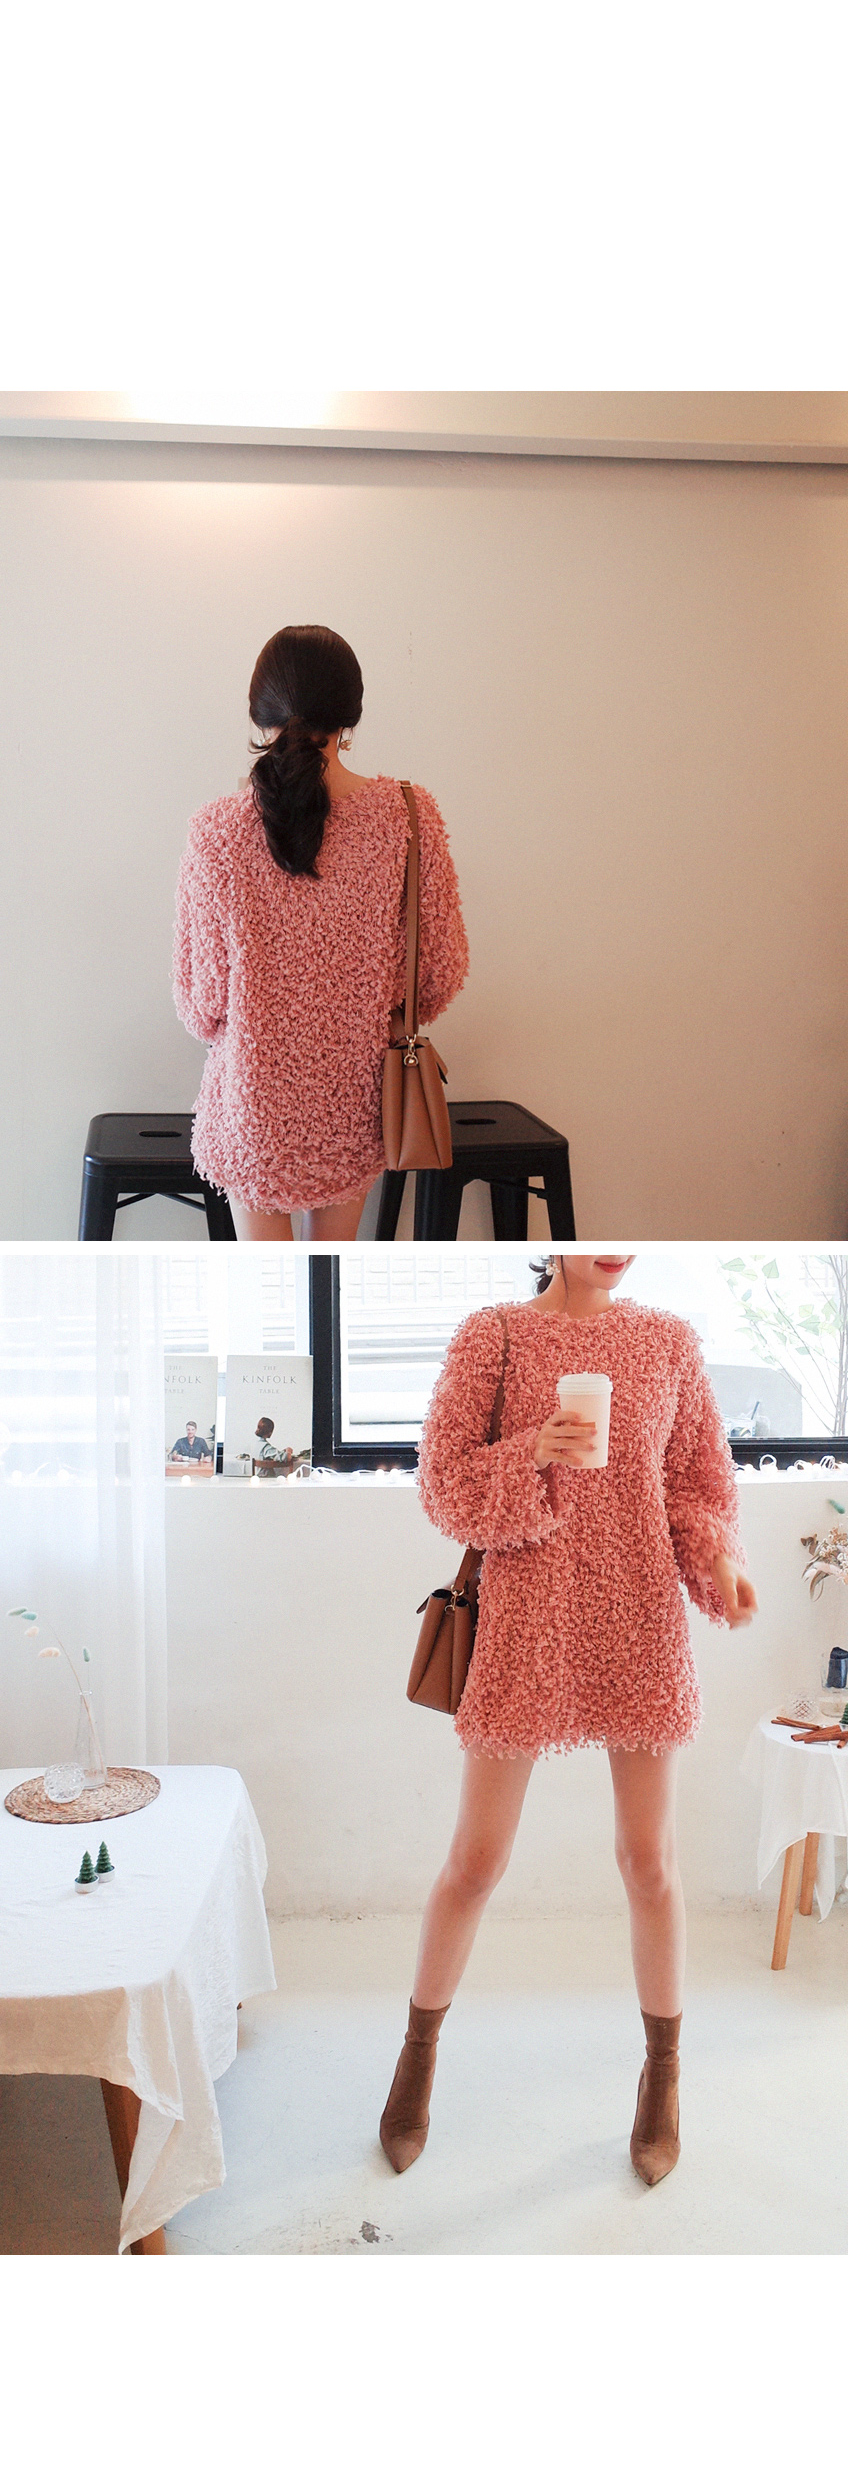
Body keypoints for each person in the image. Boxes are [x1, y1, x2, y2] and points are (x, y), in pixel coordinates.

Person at [379, 1250, 757, 2186]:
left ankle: (662, 2076)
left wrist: (719, 1563)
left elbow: (693, 1485)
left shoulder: (666, 1342)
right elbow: (443, 1482)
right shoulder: (495, 1336)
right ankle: (416, 2057)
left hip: (640, 1614)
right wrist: (531, 1451)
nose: (615, 1249)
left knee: (649, 1861)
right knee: (475, 1861)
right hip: (527, 1617)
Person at [172, 623, 468, 1240]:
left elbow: (202, 1004)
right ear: (349, 717)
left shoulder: (215, 831)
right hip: (356, 1102)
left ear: (259, 716)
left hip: (252, 1105)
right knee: (329, 1275)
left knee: (271, 1286)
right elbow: (438, 973)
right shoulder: (409, 817)